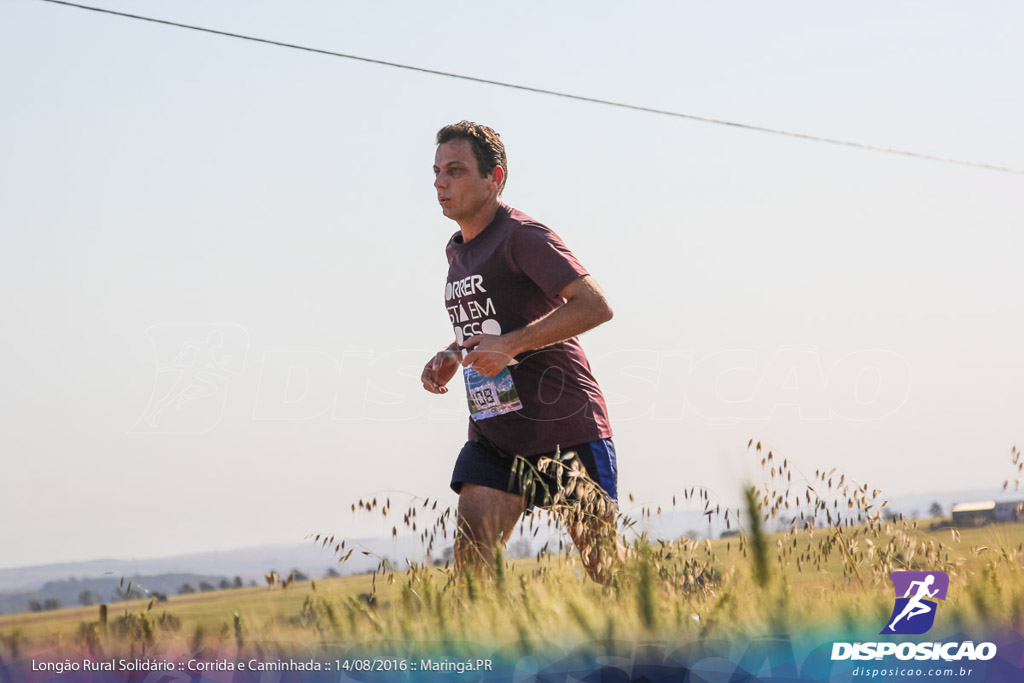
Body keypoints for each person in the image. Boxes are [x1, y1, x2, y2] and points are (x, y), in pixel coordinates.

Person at [420, 121, 619, 582]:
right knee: (472, 565)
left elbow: (596, 306)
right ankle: (500, 654)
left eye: (456, 170)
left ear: (496, 178)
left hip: (564, 426)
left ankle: (691, 625)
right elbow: (489, 326)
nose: (440, 183)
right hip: (495, 434)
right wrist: (452, 354)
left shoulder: (523, 236)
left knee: (605, 569)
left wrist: (511, 345)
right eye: (436, 172)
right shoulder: (457, 251)